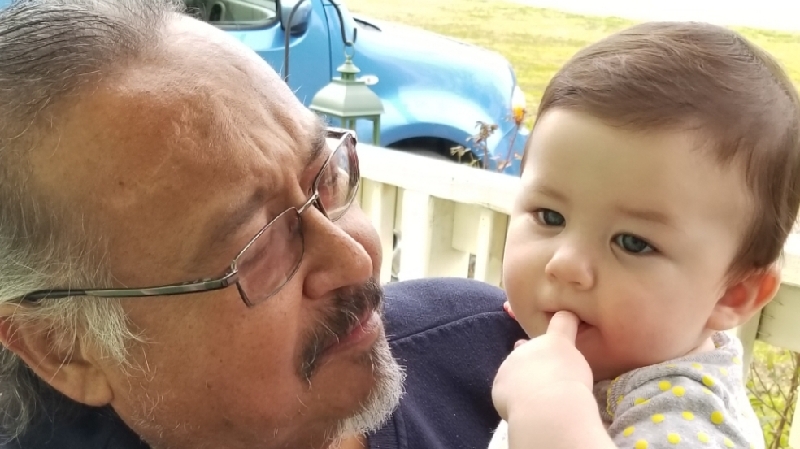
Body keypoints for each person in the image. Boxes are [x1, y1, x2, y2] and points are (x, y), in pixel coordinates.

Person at [0, 1, 525, 448]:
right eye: (256, 243)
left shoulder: (501, 356)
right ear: (61, 348)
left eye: (326, 179)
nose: (357, 258)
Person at [487, 21, 800, 449]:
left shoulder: (687, 423)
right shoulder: (625, 359)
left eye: (633, 243)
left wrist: (548, 411)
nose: (565, 264)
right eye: (549, 216)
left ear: (732, 294)